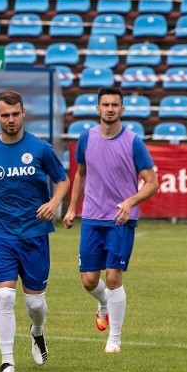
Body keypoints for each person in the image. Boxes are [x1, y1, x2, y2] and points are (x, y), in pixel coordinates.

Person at [0, 90, 70, 372]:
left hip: (35, 234)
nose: (11, 120)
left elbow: (62, 180)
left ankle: (37, 331)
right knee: (4, 298)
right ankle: (7, 360)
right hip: (1, 233)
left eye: (15, 114)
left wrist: (53, 203)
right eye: (5, 115)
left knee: (35, 302)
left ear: (23, 113)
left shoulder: (40, 148)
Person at [62, 87, 159, 353]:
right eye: (105, 105)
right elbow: (80, 174)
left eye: (115, 105)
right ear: (98, 109)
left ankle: (114, 338)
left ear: (122, 110)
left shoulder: (133, 142)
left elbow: (152, 183)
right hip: (92, 218)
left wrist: (129, 202)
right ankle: (104, 303)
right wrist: (71, 208)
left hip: (120, 220)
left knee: (114, 277)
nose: (110, 109)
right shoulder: (86, 138)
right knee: (89, 281)